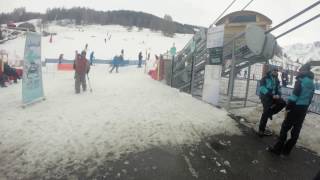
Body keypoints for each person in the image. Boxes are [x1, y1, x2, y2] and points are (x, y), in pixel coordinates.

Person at [268, 63, 315, 156]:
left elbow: (294, 96)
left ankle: (277, 149)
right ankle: (286, 150)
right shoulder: (312, 83)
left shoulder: (300, 81)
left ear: (303, 71)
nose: (299, 72)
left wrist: (288, 107)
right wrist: (305, 106)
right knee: (296, 130)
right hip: (303, 109)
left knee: (285, 127)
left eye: (300, 70)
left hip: (295, 107)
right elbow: (310, 97)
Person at [258, 67, 286, 136]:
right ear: (271, 71)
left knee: (283, 103)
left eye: (277, 71)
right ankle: (261, 129)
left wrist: (278, 95)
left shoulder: (277, 80)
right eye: (274, 70)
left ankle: (270, 113)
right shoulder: (265, 78)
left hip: (274, 96)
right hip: (265, 96)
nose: (276, 72)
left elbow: (279, 89)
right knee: (266, 111)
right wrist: (271, 94)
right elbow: (262, 88)